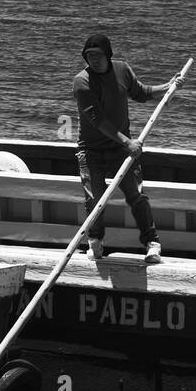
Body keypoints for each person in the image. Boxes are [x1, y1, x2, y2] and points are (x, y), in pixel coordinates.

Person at [72, 32, 176, 264]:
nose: (94, 60)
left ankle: (152, 243)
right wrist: (128, 142)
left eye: (98, 55)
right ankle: (95, 242)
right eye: (89, 56)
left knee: (136, 195)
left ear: (108, 55)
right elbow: (98, 121)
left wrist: (167, 87)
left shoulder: (122, 70)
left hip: (121, 149)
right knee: (94, 199)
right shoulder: (82, 82)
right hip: (91, 150)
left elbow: (141, 93)